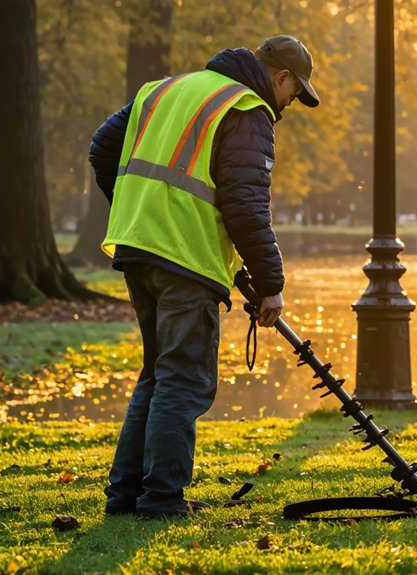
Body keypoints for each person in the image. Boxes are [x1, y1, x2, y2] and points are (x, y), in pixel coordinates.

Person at [88, 35, 319, 518]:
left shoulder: (165, 90)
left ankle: (126, 497)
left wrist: (140, 211)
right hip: (184, 260)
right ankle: (162, 500)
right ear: (280, 78)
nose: (289, 106)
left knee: (156, 375)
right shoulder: (246, 109)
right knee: (182, 380)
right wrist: (271, 284)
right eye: (294, 95)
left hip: (137, 248)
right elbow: (245, 202)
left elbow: (102, 148)